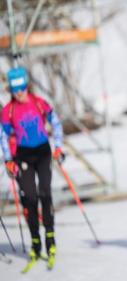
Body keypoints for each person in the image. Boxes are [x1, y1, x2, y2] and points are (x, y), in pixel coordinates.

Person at [1, 66, 64, 269]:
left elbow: (55, 122)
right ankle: (35, 243)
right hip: (23, 156)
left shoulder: (39, 102)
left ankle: (50, 241)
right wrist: (8, 159)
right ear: (11, 89)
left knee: (45, 193)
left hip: (43, 152)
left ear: (27, 85)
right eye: (15, 89)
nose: (19, 93)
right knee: (29, 197)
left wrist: (58, 147)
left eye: (22, 88)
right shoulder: (8, 110)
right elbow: (3, 135)